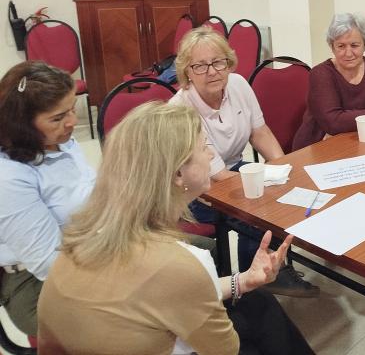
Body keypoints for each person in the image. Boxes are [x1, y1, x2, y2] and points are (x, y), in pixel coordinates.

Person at [38, 102, 314, 355]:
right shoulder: (180, 262)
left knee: (257, 301)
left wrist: (243, 281)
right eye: (204, 147)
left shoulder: (85, 238)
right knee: (257, 325)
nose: (210, 155)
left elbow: (164, 293)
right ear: (178, 174)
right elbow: (226, 348)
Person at [171, 27, 317, 297]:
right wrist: (268, 185)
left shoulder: (238, 84)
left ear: (228, 63)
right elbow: (216, 176)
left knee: (283, 191)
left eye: (218, 62)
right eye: (200, 66)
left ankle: (266, 266)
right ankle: (257, 277)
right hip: (195, 189)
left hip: (234, 168)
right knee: (261, 205)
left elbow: (259, 132)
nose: (212, 72)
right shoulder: (181, 109)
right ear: (187, 72)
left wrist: (284, 170)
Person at [0, 61, 96, 337]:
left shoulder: (60, 140)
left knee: (197, 253)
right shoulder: (9, 176)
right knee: (146, 306)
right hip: (35, 285)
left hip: (88, 251)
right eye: (57, 117)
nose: (72, 122)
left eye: (72, 109)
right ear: (22, 125)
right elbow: (49, 265)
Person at [292, 13, 365, 149]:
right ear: (332, 47)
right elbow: (333, 122)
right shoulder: (320, 73)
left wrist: (345, 119)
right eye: (341, 46)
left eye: (354, 45)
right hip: (319, 147)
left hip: (364, 143)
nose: (348, 53)